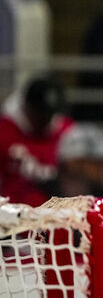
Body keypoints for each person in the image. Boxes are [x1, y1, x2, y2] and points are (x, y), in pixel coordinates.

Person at [0, 76, 74, 206]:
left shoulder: (67, 131)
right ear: (27, 106)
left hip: (60, 214)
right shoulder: (5, 131)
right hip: (11, 214)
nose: (45, 118)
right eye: (40, 113)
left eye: (50, 113)